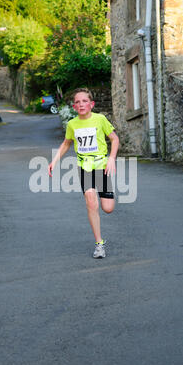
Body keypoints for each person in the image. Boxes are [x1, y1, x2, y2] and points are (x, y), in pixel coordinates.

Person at [48, 88, 119, 258]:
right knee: (90, 201)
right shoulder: (72, 124)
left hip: (102, 166)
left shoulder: (100, 119)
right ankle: (99, 244)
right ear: (74, 106)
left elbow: (114, 139)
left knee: (107, 208)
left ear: (91, 104)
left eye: (84, 101)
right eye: (78, 102)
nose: (81, 104)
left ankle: (106, 195)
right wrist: (54, 160)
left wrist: (111, 158)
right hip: (85, 167)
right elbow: (66, 144)